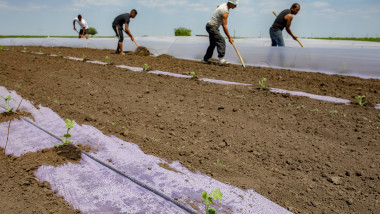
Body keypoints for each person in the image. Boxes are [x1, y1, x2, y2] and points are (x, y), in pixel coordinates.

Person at [202, 0, 238, 66]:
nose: (236, 6)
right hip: (212, 26)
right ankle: (221, 60)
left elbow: (218, 6)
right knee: (221, 40)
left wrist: (219, 9)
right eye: (235, 4)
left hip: (210, 26)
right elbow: (224, 26)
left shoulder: (223, 5)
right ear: (230, 3)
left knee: (213, 44)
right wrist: (229, 37)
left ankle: (206, 59)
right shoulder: (225, 12)